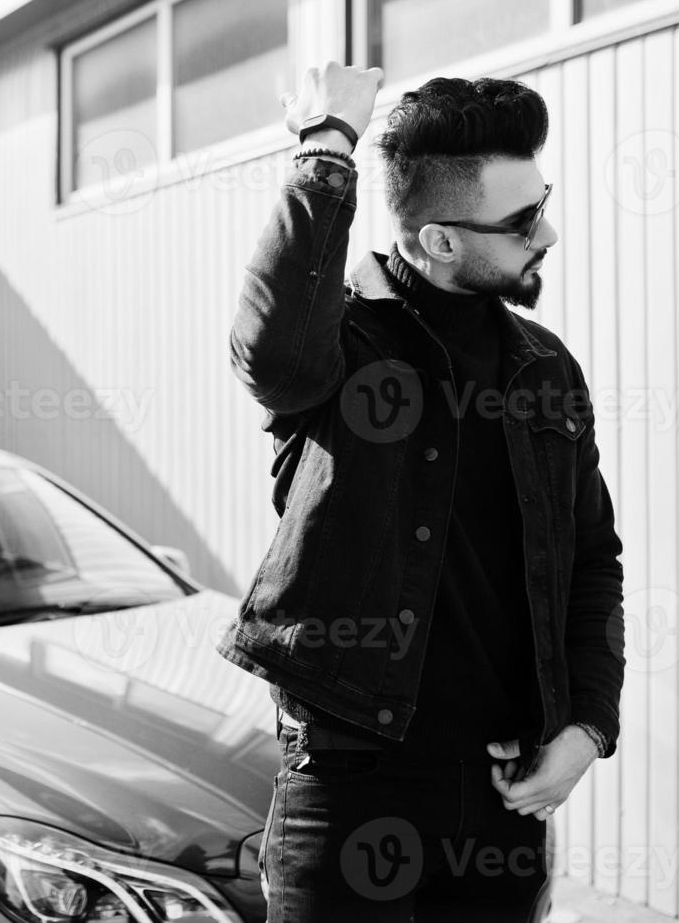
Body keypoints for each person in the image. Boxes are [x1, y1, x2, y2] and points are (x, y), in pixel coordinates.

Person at [215, 62, 626, 922]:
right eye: (520, 223)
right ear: (439, 240)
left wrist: (586, 725)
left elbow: (591, 558)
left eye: (540, 203)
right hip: (351, 783)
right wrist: (326, 148)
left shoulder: (544, 367)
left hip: (502, 788)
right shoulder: (340, 345)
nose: (546, 233)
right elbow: (272, 353)